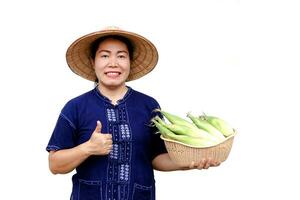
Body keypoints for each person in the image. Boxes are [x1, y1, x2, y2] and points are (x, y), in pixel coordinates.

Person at [46, 26, 220, 200]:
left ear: (130, 61)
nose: (113, 63)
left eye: (121, 56)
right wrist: (88, 148)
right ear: (93, 61)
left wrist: (189, 163)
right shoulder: (75, 107)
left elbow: (156, 158)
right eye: (105, 55)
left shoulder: (148, 106)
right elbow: (54, 164)